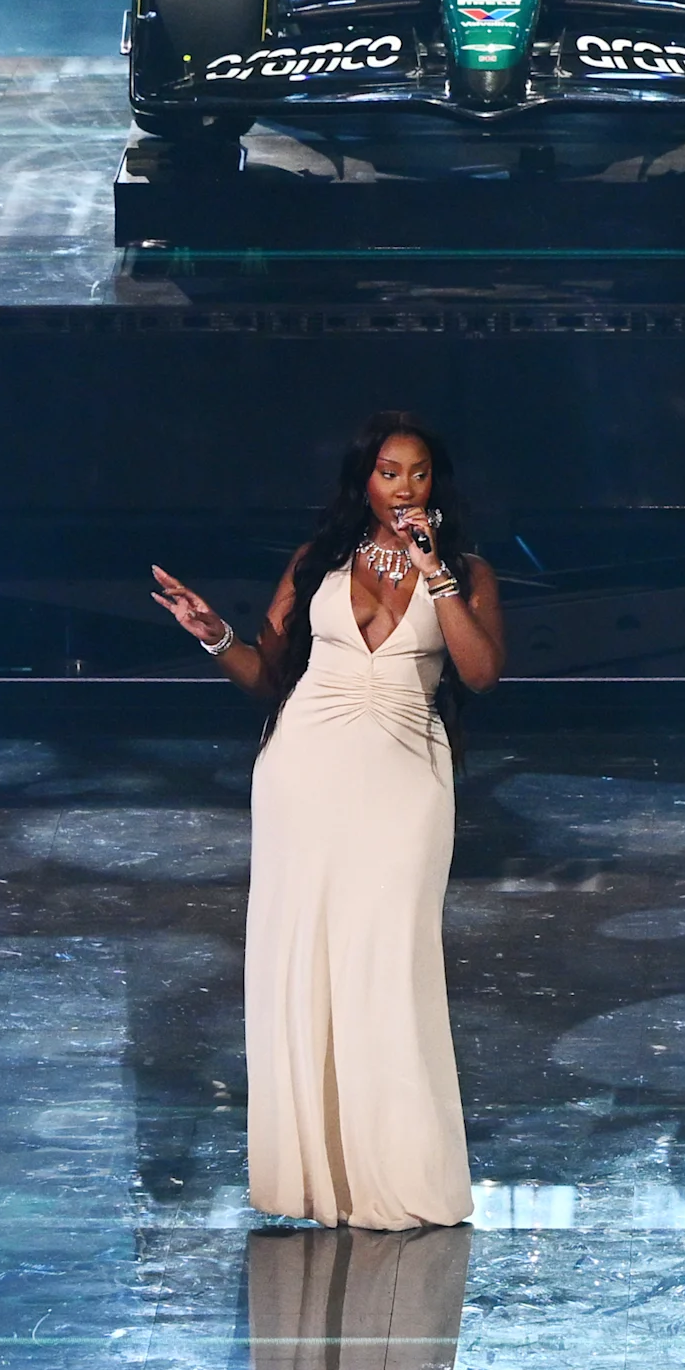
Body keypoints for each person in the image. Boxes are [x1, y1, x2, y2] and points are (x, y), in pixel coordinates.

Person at [148, 414, 508, 1230]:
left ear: (434, 484)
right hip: (304, 767)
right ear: (366, 481)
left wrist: (437, 575)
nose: (403, 487)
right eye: (388, 472)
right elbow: (270, 673)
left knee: (387, 956)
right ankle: (320, 1178)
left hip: (407, 773)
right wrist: (216, 636)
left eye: (417, 473)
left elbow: (482, 673)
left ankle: (401, 1169)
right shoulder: (317, 564)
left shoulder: (468, 571)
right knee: (306, 956)